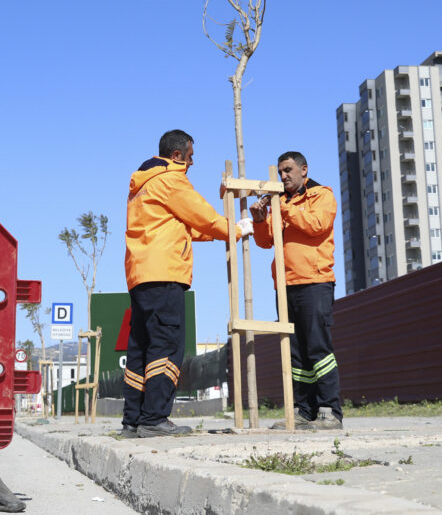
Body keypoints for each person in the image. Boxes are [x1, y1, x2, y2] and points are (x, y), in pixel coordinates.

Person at [122, 129, 253, 438]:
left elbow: (186, 227)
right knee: (166, 346)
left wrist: (226, 230)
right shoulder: (171, 179)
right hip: (166, 272)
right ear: (178, 154)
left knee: (140, 348)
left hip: (141, 275)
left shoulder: (143, 184)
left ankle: (133, 420)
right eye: (191, 156)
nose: (193, 163)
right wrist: (234, 229)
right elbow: (203, 216)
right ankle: (154, 418)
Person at [248, 151, 342, 430]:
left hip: (315, 281)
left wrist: (281, 207)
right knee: (297, 352)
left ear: (304, 169)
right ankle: (304, 410)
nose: (284, 176)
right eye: (280, 172)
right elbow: (266, 242)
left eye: (288, 170)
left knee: (318, 348)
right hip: (286, 284)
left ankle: (329, 411)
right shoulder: (283, 203)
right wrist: (259, 219)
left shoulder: (321, 195)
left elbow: (316, 225)